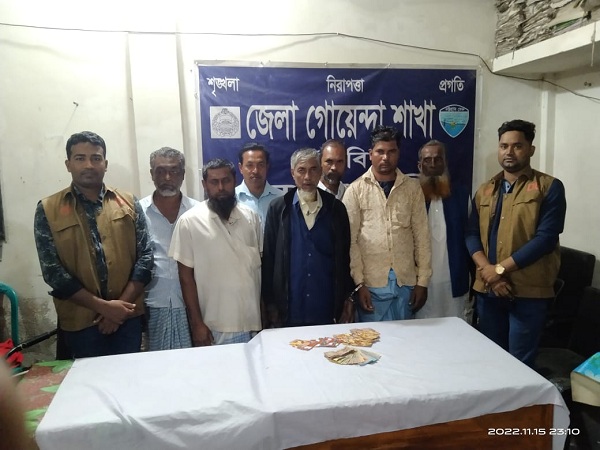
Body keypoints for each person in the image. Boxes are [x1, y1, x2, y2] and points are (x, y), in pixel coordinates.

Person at [34, 131, 153, 358]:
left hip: (127, 316)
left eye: (96, 158)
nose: (89, 165)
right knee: (85, 379)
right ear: (68, 164)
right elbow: (52, 271)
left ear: (105, 164)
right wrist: (104, 308)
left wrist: (117, 309)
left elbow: (146, 257)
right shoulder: (48, 209)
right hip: (81, 322)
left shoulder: (128, 202)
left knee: (129, 376)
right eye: (80, 158)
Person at [466, 119, 567, 368]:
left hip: (527, 292)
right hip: (489, 290)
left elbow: (545, 239)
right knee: (490, 360)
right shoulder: (485, 190)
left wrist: (499, 270)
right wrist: (490, 274)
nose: (509, 152)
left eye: (517, 146)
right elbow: (471, 234)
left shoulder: (548, 187)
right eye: (503, 146)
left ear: (531, 149)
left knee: (520, 365)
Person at [342, 125, 431, 322]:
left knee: (406, 340)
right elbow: (350, 242)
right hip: (371, 286)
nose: (385, 157)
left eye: (391, 152)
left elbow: (422, 237)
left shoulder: (412, 189)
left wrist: (423, 282)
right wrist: (359, 284)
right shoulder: (355, 191)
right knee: (372, 340)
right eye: (380, 152)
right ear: (370, 154)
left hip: (406, 284)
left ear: (398, 153)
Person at [169, 158, 262, 346]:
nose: (221, 187)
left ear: (234, 181)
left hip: (254, 323)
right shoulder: (189, 222)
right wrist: (196, 324)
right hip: (216, 326)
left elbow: (258, 270)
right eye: (214, 182)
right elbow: (185, 278)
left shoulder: (251, 217)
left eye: (226, 181)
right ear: (204, 185)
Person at [262, 148, 355, 327]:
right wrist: (271, 304)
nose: (307, 177)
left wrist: (347, 297)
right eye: (301, 170)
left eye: (313, 170)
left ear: (320, 172)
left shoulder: (336, 209)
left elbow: (345, 258)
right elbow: (269, 260)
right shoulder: (279, 209)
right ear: (292, 173)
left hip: (326, 307)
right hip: (289, 309)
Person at [140, 147, 200, 351]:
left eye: (174, 171)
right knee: (157, 366)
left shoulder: (199, 212)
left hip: (195, 307)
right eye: (160, 171)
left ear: (183, 174)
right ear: (151, 174)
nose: (167, 177)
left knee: (197, 364)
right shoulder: (137, 212)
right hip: (152, 306)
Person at [415, 140, 472, 320]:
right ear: (419, 165)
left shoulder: (462, 196)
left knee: (456, 329)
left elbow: (471, 238)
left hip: (454, 281)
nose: (432, 164)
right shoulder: (412, 197)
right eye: (427, 160)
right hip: (421, 285)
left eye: (437, 159)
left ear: (445, 162)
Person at [235, 142, 283, 230]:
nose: (255, 171)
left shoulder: (282, 199)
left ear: (267, 167)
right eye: (250, 165)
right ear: (240, 168)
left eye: (260, 165)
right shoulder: (232, 199)